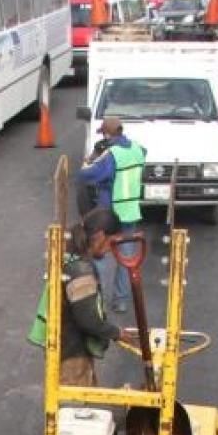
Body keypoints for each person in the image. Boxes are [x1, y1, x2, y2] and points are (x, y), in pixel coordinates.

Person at [27, 206, 122, 387]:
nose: (111, 250)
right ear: (101, 235)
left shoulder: (69, 257)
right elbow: (88, 319)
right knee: (77, 411)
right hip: (72, 356)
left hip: (61, 348)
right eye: (112, 243)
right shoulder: (81, 271)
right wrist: (117, 333)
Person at [77, 115, 146, 314]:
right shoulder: (136, 149)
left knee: (99, 254)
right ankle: (121, 301)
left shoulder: (110, 155)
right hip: (130, 211)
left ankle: (97, 297)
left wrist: (87, 163)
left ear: (107, 133)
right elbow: (143, 154)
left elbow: (87, 175)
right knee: (126, 258)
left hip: (109, 213)